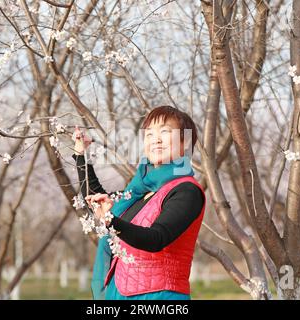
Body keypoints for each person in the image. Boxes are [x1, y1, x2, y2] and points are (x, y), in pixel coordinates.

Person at [71, 105, 206, 300]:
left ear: (184, 142)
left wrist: (111, 221)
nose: (156, 139)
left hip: (159, 298)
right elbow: (98, 199)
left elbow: (156, 238)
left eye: (165, 132)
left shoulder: (187, 191)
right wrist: (80, 155)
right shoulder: (140, 191)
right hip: (118, 293)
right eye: (149, 134)